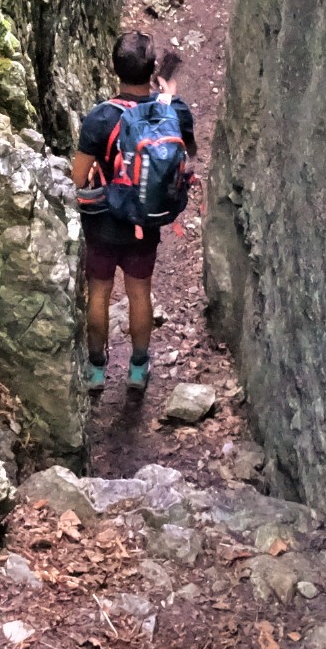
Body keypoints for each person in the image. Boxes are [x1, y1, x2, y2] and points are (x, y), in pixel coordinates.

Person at [70, 31, 197, 393]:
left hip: (104, 222)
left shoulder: (99, 118)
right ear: (153, 68)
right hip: (146, 220)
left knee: (99, 291)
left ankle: (96, 370)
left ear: (114, 69)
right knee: (140, 292)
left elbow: (79, 178)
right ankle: (138, 369)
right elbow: (188, 155)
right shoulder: (174, 110)